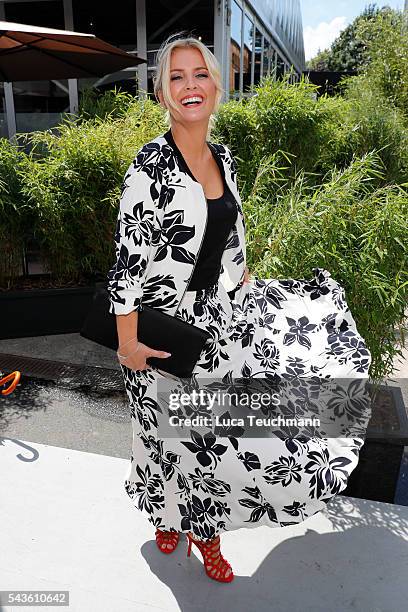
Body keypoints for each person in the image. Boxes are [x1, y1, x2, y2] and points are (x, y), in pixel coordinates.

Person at [106, 33, 372, 584]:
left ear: (216, 86)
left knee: (212, 437)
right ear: (162, 94)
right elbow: (126, 266)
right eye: (176, 77)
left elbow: (230, 235)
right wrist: (127, 343)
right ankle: (178, 523)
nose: (190, 86)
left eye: (199, 74)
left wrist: (244, 279)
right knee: (164, 435)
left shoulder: (222, 157)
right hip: (163, 332)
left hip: (221, 318)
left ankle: (198, 525)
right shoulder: (149, 168)